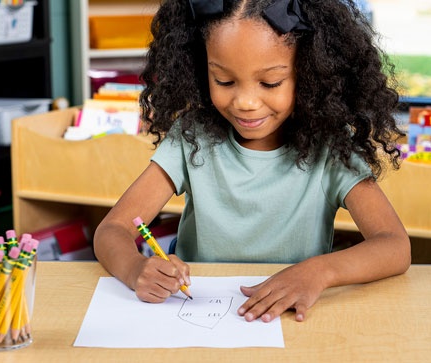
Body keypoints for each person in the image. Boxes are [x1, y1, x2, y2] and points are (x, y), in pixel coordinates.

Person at [94, 0, 411, 323]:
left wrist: (321, 271)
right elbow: (112, 230)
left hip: (289, 321)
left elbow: (395, 246)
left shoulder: (330, 147)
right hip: (195, 316)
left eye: (270, 83)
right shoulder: (192, 137)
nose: (245, 103)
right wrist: (136, 269)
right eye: (224, 81)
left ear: (312, 74)